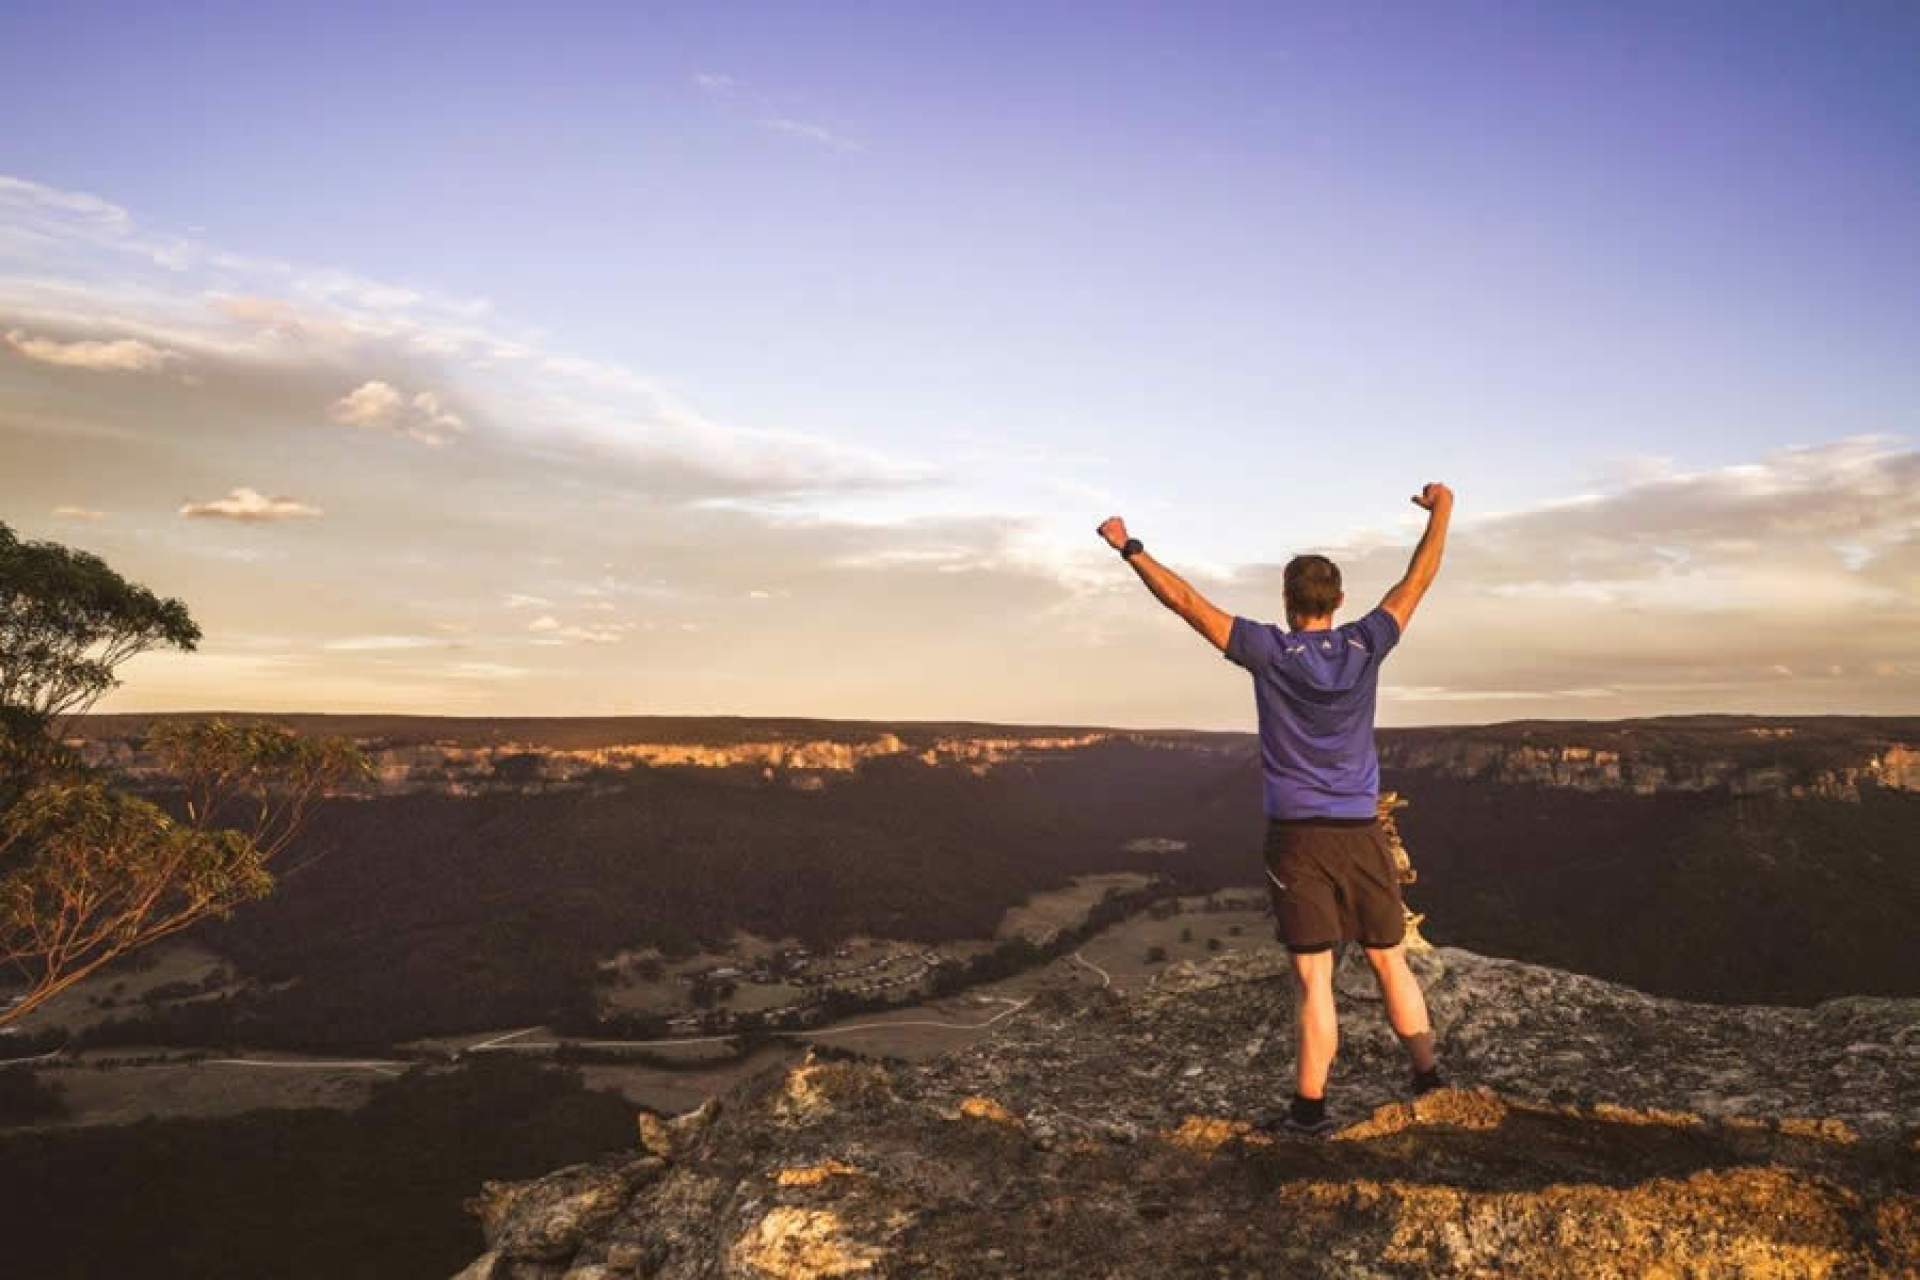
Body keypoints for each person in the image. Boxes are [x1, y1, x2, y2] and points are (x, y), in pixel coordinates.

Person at [1096, 483, 1454, 1136]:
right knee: (1388, 958)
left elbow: (1186, 603)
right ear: (1338, 601)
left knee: (1315, 980)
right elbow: (1419, 579)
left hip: (1299, 840)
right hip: (1362, 832)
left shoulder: (1267, 649)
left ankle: (1310, 1113)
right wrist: (1444, 509)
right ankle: (1428, 1077)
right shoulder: (1368, 641)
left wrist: (1129, 548)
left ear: (1288, 602)